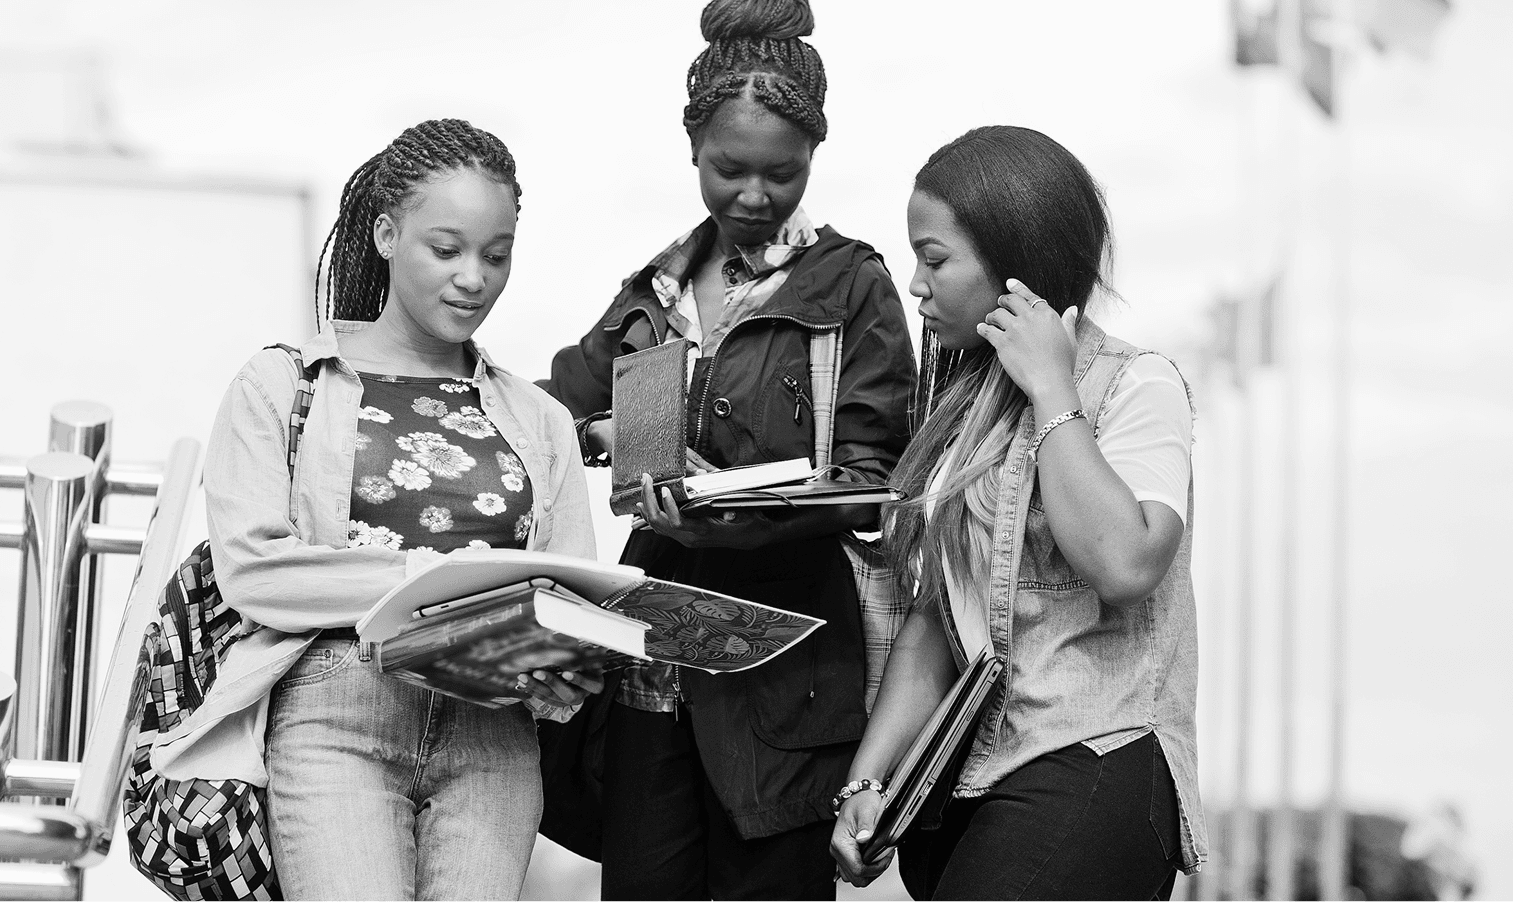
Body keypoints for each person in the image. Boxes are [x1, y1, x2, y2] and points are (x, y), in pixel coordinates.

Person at [156, 118, 600, 902]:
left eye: (497, 256)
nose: (474, 278)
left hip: (492, 738)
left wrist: (562, 666)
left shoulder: (540, 420)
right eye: (447, 249)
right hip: (337, 715)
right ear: (387, 234)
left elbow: (570, 595)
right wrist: (434, 577)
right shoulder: (281, 386)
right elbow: (257, 573)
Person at [544, 1, 916, 897]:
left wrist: (734, 512)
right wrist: (609, 438)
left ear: (814, 158)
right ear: (692, 150)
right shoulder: (652, 290)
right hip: (651, 668)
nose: (754, 196)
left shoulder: (854, 288)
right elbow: (550, 411)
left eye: (781, 175)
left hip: (786, 676)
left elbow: (882, 483)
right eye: (729, 170)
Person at [827, 125, 1208, 901]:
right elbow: (935, 621)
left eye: (934, 259)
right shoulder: (958, 418)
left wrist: (1052, 389)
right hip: (962, 784)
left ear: (1015, 264)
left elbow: (1126, 564)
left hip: (1093, 761)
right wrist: (865, 785)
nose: (915, 285)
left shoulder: (1136, 386)